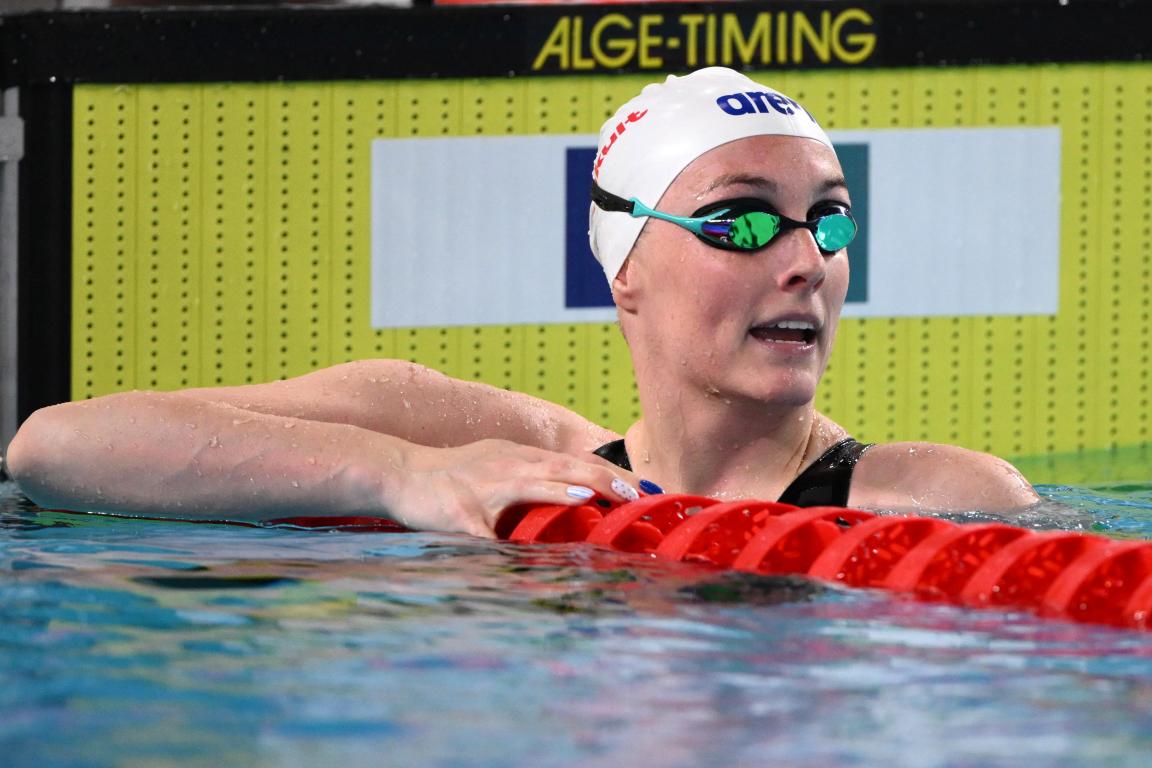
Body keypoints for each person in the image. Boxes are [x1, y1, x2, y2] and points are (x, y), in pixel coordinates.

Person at [4, 68, 1038, 537]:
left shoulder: (926, 494)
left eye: (829, 219)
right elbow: (53, 448)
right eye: (742, 221)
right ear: (625, 267)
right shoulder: (504, 448)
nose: (807, 259)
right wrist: (401, 474)